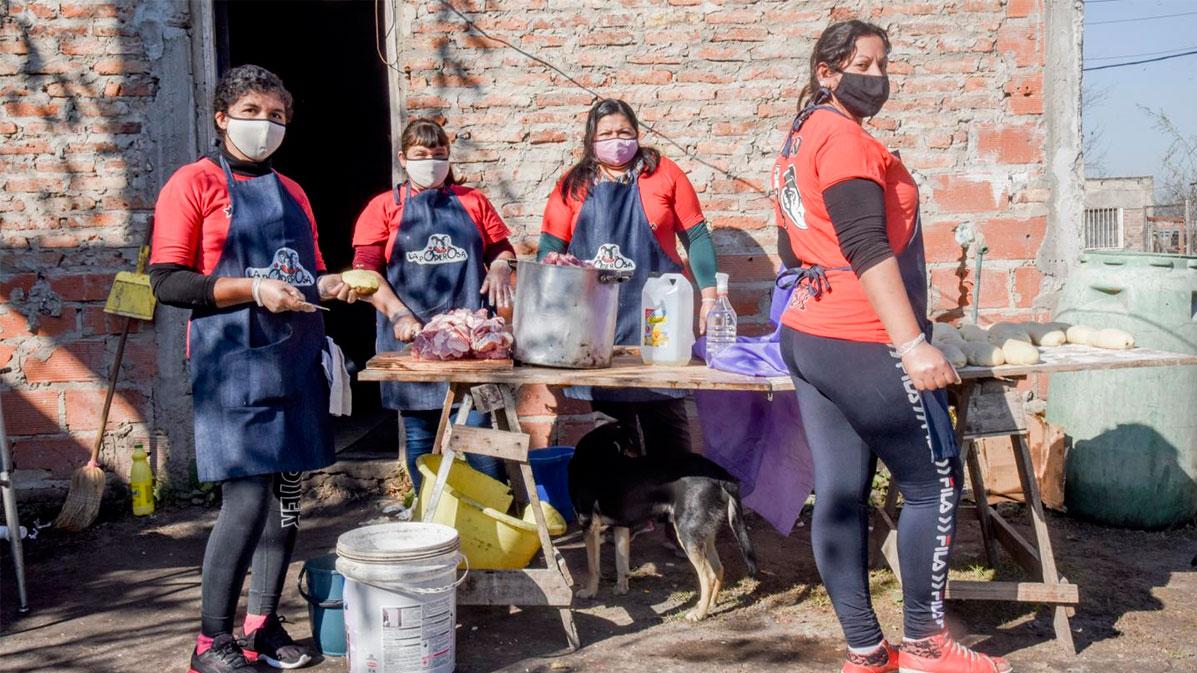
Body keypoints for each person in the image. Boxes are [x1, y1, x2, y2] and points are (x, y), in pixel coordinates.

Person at [772, 21, 1010, 673]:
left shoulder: (799, 135)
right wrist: (910, 343)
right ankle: (927, 645)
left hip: (808, 331)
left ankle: (866, 653)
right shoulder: (842, 139)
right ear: (827, 71)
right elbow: (866, 246)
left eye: (882, 66)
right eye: (862, 65)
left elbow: (791, 246)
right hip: (859, 335)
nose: (876, 79)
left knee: (840, 490)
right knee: (933, 480)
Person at [150, 65, 353, 673]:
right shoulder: (194, 183)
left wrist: (331, 282)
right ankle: (211, 642)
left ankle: (261, 624)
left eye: (277, 116)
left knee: (289, 498)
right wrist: (250, 289)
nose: (265, 125)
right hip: (232, 361)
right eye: (252, 113)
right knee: (246, 501)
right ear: (221, 117)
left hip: (293, 354)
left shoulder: (294, 192)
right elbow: (169, 281)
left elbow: (302, 271)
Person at [539, 98, 718, 455]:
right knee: (613, 429)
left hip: (659, 317)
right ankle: (628, 508)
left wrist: (711, 297)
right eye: (606, 133)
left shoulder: (664, 174)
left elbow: (696, 235)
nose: (616, 139)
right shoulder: (572, 185)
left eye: (625, 132)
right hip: (596, 325)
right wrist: (550, 310)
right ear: (591, 139)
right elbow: (549, 249)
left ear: (638, 134)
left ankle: (674, 500)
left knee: (666, 418)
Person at [350, 118, 514, 491]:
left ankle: (494, 513)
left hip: (473, 342)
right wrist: (398, 314)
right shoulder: (383, 208)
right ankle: (429, 515)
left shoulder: (472, 201)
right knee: (422, 434)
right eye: (421, 155)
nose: (431, 162)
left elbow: (501, 247)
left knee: (478, 434)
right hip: (411, 342)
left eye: (439, 155)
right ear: (403, 159)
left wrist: (503, 264)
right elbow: (365, 272)